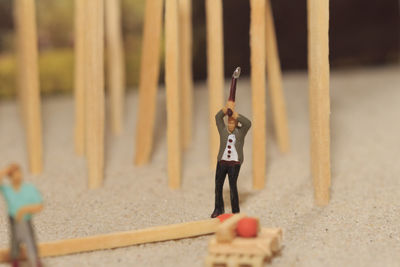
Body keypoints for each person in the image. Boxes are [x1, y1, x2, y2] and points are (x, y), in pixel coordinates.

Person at [211, 100, 251, 218]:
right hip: (222, 162)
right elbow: (218, 118)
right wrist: (225, 109)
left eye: (233, 122)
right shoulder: (223, 131)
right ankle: (218, 208)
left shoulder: (241, 132)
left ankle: (235, 211)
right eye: (229, 122)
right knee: (218, 185)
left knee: (233, 186)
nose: (230, 125)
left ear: (237, 123)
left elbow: (248, 123)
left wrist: (236, 115)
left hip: (234, 163)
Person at [0, 164, 43, 267]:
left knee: (30, 240)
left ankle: (34, 260)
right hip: (13, 219)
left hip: (26, 219)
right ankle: (15, 260)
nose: (18, 175)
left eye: (19, 172)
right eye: (15, 173)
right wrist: (6, 170)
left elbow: (39, 205)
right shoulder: (8, 190)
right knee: (15, 240)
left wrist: (24, 210)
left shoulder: (29, 189)